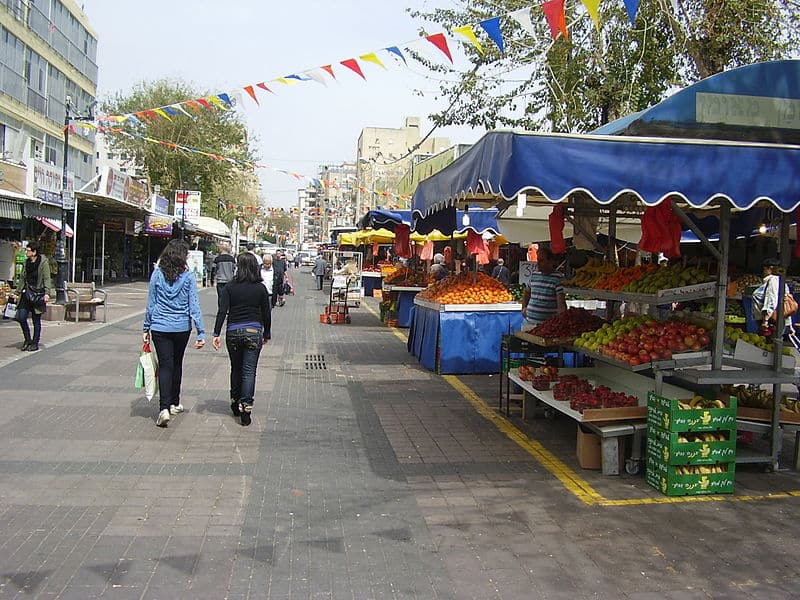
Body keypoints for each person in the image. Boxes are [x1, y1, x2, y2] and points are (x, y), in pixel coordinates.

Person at [143, 239, 206, 428]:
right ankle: (174, 402)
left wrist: (146, 328)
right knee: (177, 363)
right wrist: (201, 332)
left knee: (165, 365)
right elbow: (193, 305)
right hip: (181, 327)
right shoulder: (187, 277)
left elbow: (151, 303)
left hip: (160, 326)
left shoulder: (157, 274)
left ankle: (163, 408)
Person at [212, 252, 271, 426]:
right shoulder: (260, 288)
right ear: (255, 267)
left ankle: (234, 399)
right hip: (254, 331)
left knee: (236, 368)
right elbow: (266, 313)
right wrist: (267, 333)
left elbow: (222, 310)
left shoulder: (230, 286)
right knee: (249, 371)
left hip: (233, 331)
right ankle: (246, 407)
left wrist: (216, 333)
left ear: (238, 266)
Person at [13, 241, 52, 352]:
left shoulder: (43, 263)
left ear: (34, 252)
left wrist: (47, 293)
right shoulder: (26, 262)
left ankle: (35, 342)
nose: (26, 252)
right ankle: (27, 339)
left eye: (28, 250)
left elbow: (46, 278)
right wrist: (17, 292)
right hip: (26, 293)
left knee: (36, 319)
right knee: (20, 317)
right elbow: (22, 279)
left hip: (38, 293)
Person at [521, 246, 567, 327]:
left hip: (546, 327)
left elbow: (561, 304)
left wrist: (561, 321)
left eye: (541, 261)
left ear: (551, 261)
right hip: (528, 322)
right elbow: (527, 292)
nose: (538, 263)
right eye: (538, 260)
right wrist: (524, 307)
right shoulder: (534, 275)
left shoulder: (558, 278)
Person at [752, 258, 794, 335]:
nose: (763, 272)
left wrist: (765, 321)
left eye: (764, 269)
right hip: (776, 320)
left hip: (770, 322)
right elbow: (785, 304)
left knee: (767, 344)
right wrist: (789, 325)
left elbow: (770, 299)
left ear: (770, 268)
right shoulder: (782, 282)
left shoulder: (772, 280)